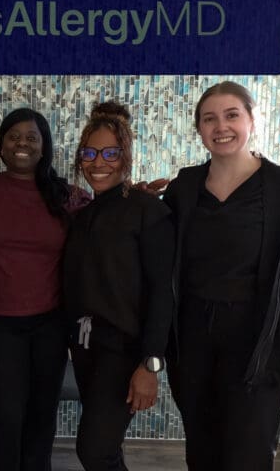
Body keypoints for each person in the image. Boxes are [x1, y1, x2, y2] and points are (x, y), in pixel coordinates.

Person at [163, 81, 280, 470]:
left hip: (259, 340)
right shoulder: (184, 188)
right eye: (210, 118)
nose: (221, 126)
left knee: (249, 451)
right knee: (202, 447)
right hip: (193, 339)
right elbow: (161, 256)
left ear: (252, 120)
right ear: (199, 129)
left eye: (232, 115)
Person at [0, 108, 89, 471]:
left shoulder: (67, 196)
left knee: (41, 413)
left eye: (32, 137)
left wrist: (133, 194)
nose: (22, 144)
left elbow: (108, 218)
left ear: (44, 146)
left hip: (51, 322)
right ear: (1, 146)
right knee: (8, 414)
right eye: (14, 136)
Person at [62, 101, 175, 471]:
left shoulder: (149, 212)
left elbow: (163, 292)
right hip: (86, 350)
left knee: (93, 450)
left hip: (125, 355)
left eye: (110, 153)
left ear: (125, 155)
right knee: (106, 448)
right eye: (90, 153)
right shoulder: (83, 216)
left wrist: (151, 364)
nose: (99, 163)